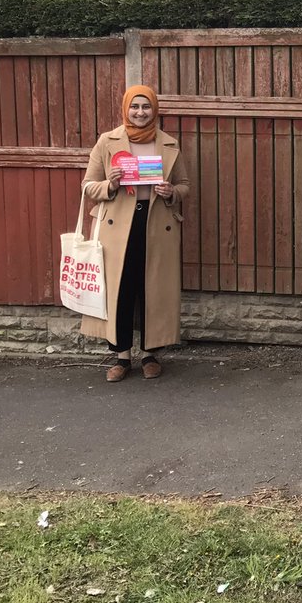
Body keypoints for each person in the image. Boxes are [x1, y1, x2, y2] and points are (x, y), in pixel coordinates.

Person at [81, 85, 190, 382]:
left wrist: (171, 192)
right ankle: (121, 357)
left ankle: (151, 355)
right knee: (121, 289)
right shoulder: (108, 141)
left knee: (152, 289)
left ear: (154, 110)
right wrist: (110, 185)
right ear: (126, 109)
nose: (140, 112)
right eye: (135, 107)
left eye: (146, 107)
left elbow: (184, 185)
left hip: (156, 224)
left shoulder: (168, 143)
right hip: (117, 227)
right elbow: (88, 186)